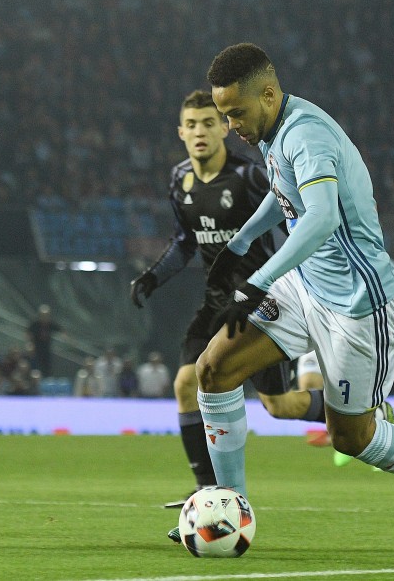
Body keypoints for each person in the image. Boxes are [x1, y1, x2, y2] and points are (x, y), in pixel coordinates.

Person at [172, 43, 394, 546]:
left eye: (236, 112)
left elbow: (320, 217)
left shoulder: (306, 136)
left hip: (358, 304)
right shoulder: (273, 132)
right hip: (306, 285)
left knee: (352, 438)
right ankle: (229, 505)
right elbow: (286, 199)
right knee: (214, 369)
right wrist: (241, 241)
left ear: (269, 94)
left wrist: (254, 281)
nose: (231, 125)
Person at [130, 89, 329, 508]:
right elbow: (186, 241)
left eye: (209, 122)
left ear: (224, 128)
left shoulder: (250, 176)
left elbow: (290, 209)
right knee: (185, 383)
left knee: (279, 406)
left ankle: (345, 409)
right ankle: (208, 490)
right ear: (181, 132)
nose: (200, 131)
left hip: (261, 301)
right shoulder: (179, 179)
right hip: (216, 301)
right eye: (192, 124)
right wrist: (153, 277)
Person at [27, 303, 61, 377]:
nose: (44, 317)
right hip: (37, 349)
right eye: (43, 315)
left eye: (46, 315)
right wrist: (30, 344)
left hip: (46, 349)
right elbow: (29, 333)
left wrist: (70, 340)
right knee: (36, 367)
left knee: (47, 368)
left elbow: (60, 330)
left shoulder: (51, 324)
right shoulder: (35, 324)